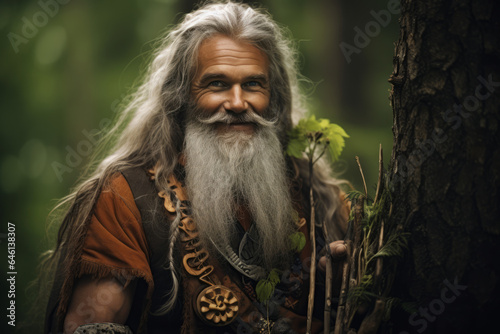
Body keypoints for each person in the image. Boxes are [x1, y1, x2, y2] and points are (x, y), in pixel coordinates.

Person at [43, 1, 350, 333]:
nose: (236, 103)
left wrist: (330, 288)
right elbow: (92, 326)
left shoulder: (317, 193)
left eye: (252, 84)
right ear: (181, 96)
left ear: (272, 97)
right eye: (217, 83)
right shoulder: (125, 196)